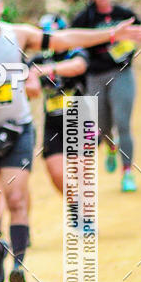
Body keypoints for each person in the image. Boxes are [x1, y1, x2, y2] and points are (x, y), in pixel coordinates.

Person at [0, 0, 141, 282]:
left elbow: (72, 42)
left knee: (19, 198)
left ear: (2, 7)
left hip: (54, 120)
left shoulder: (20, 36)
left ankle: (20, 263)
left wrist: (112, 33)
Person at [68, 0, 141, 192]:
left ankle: (127, 173)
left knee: (123, 123)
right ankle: (110, 147)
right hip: (95, 76)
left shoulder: (122, 14)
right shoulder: (85, 18)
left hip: (122, 73)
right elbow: (70, 38)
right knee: (103, 126)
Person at [27, 14, 88, 195]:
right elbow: (25, 78)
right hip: (52, 124)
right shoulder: (38, 60)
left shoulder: (75, 52)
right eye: (47, 36)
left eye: (55, 35)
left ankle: (86, 218)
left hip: (79, 119)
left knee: (80, 173)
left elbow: (79, 66)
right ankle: (76, 209)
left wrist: (48, 70)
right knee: (57, 174)